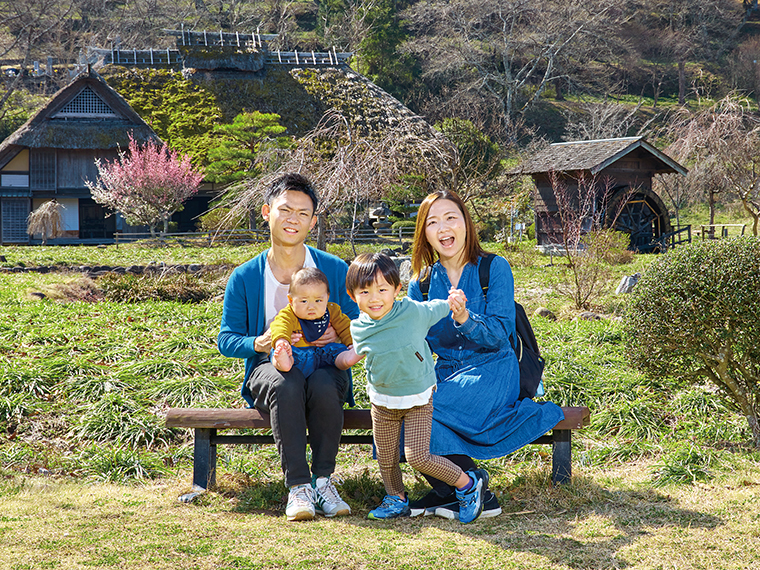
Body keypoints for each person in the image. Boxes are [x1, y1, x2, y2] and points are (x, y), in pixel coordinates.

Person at [406, 190, 566, 520]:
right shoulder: (420, 284)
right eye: (432, 222)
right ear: (424, 232)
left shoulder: (493, 268)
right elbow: (414, 343)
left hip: (493, 368)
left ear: (466, 223)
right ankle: (461, 490)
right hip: (445, 372)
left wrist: (465, 319)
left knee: (421, 413)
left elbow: (499, 333)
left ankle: (461, 489)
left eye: (451, 217)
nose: (443, 228)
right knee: (403, 412)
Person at [218, 173, 359, 522]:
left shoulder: (334, 270)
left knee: (325, 384)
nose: (292, 219)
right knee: (287, 382)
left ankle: (323, 482)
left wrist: (341, 338)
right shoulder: (245, 276)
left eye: (302, 212)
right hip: (271, 367)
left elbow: (362, 323)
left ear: (313, 221)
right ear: (267, 212)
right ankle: (298, 487)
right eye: (285, 210)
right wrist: (259, 342)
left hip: (326, 365)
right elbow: (227, 339)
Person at [346, 253, 489, 524]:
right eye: (365, 291)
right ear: (353, 296)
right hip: (382, 402)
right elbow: (356, 354)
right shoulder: (359, 328)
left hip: (418, 399)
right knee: (386, 459)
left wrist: (453, 301)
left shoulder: (412, 312)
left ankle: (468, 484)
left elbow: (438, 307)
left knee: (418, 457)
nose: (374, 298)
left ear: (397, 289)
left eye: (382, 289)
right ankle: (396, 498)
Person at [270, 267, 362, 375]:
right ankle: (284, 362)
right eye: (304, 301)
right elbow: (280, 325)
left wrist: (351, 342)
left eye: (318, 300)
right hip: (297, 354)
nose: (311, 307)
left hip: (323, 355)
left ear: (327, 298)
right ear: (291, 300)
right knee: (281, 352)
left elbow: (345, 327)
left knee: (336, 350)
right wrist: (282, 341)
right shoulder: (289, 313)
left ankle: (347, 358)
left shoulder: (332, 311)